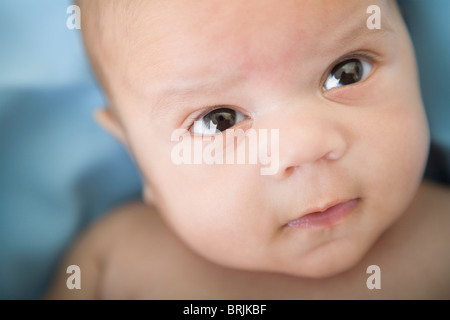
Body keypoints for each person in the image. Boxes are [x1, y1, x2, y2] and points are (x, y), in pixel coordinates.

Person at [46, 0, 450, 299]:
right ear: (137, 156)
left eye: (347, 72)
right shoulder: (115, 260)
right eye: (219, 120)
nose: (304, 147)